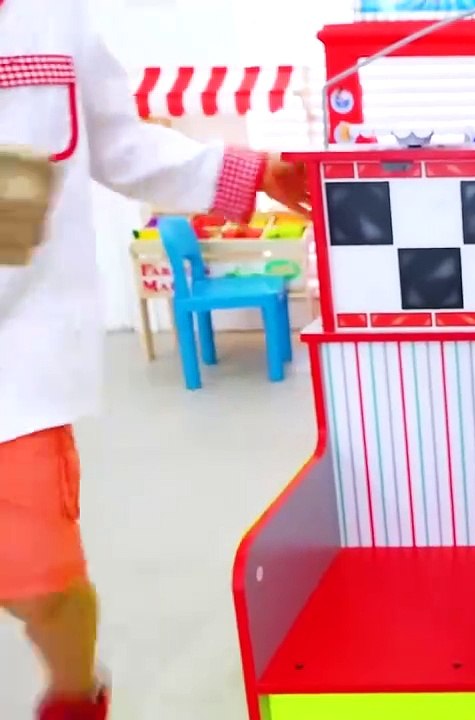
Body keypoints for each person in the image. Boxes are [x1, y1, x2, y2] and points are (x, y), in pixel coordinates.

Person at [0, 2, 310, 717]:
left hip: (17, 370)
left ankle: (75, 697)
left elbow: (122, 143)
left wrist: (253, 169)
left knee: (44, 587)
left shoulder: (52, 21)